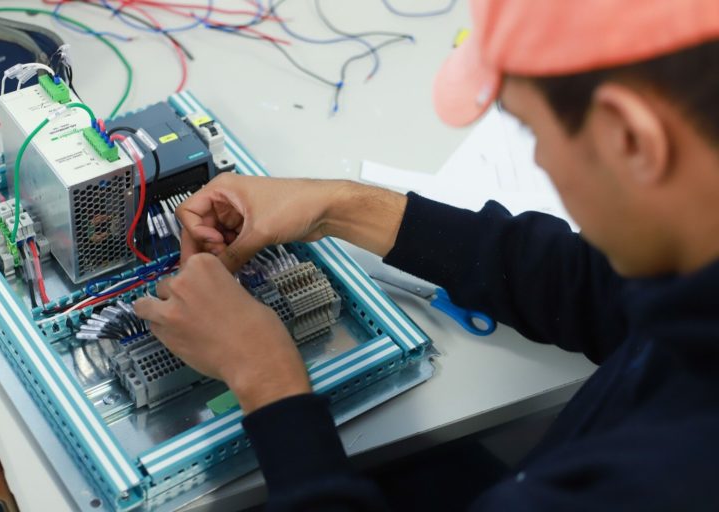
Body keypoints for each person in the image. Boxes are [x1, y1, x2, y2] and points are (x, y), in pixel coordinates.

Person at [134, 0, 719, 509]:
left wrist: (264, 380)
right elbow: (595, 292)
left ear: (631, 139)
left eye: (532, 130)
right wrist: (343, 205)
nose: (539, 160)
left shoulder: (661, 478)